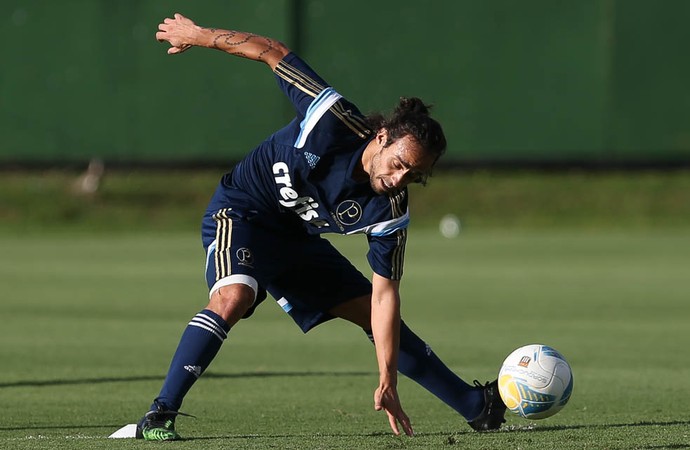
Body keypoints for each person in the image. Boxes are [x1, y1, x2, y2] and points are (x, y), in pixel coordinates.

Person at [136, 12, 506, 441]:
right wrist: (199, 36)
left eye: (415, 175)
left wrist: (387, 379)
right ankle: (160, 414)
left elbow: (386, 297)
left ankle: (475, 406)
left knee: (371, 311)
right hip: (244, 211)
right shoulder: (331, 118)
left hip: (297, 237)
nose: (401, 178)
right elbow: (272, 51)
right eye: (400, 164)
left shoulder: (390, 209)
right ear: (381, 136)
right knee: (233, 296)